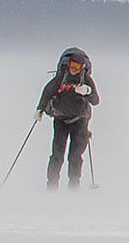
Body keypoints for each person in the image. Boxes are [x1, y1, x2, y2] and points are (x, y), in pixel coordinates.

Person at [36, 47, 98, 189]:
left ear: (82, 67)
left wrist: (88, 91)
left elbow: (95, 101)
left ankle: (74, 187)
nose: (74, 69)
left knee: (75, 157)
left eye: (77, 66)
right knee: (57, 155)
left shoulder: (86, 80)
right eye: (72, 65)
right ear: (68, 64)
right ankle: (51, 186)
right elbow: (48, 91)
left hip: (80, 121)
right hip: (61, 120)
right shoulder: (61, 77)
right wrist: (40, 108)